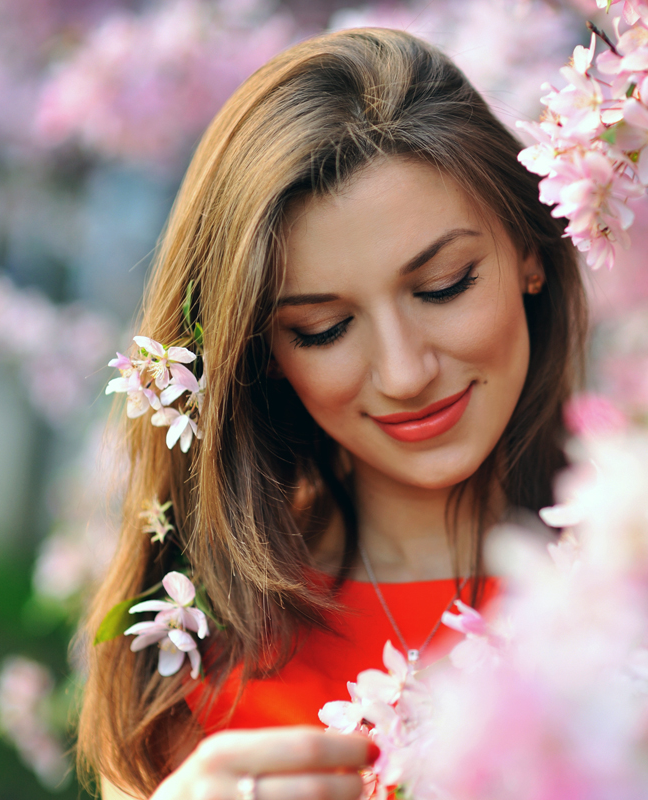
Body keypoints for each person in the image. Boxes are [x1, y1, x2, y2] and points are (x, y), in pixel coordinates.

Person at [79, 27, 588, 800]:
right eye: (322, 330)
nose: (406, 372)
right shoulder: (196, 647)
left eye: (444, 285)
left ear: (529, 250)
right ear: (264, 354)